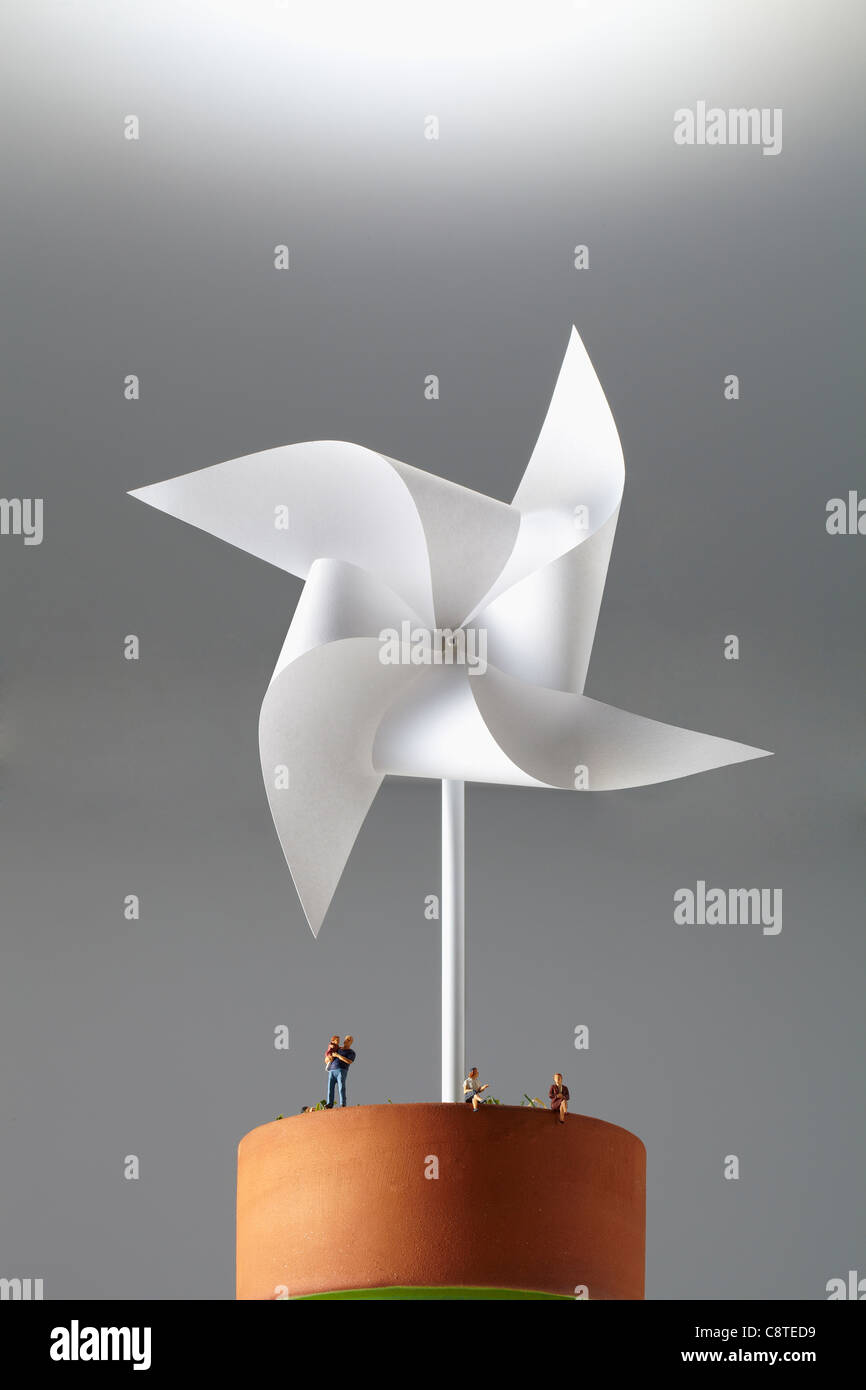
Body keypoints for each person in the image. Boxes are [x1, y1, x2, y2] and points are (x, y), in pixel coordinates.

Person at [325, 1035, 356, 1108]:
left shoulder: (351, 1052)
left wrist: (338, 1056)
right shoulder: (338, 1049)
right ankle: (329, 1103)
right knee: (330, 1087)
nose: (346, 1040)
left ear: (351, 1042)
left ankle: (343, 1103)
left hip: (341, 1070)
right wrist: (328, 1058)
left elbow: (349, 1061)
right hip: (332, 1070)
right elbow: (327, 1058)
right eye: (345, 1039)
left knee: (341, 1087)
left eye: (349, 1040)